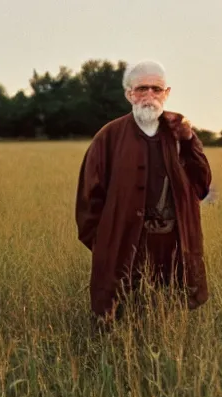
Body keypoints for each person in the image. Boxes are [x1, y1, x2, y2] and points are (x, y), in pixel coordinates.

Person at [74, 60, 213, 321]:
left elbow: (202, 186)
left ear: (167, 93)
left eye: (156, 89)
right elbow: (87, 202)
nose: (149, 95)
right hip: (125, 245)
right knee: (120, 317)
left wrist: (190, 140)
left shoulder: (178, 134)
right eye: (141, 89)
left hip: (173, 246)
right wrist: (107, 244)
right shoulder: (109, 137)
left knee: (170, 315)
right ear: (129, 94)